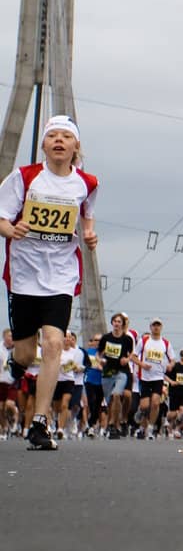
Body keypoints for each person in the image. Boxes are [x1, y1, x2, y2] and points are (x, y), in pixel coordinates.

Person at [0, 114, 99, 451]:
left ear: (75, 147)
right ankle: (17, 362)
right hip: (25, 275)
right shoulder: (25, 178)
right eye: (52, 136)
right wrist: (10, 229)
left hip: (61, 275)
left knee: (54, 343)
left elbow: (86, 211)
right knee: (27, 354)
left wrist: (88, 232)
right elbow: (1, 216)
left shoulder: (87, 182)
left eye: (65, 137)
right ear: (43, 145)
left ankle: (40, 424)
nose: (59, 141)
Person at [96, 312, 136, 439]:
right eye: (115, 321)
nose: (117, 324)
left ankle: (114, 425)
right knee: (110, 401)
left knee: (117, 394)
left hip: (122, 371)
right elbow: (98, 354)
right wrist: (100, 360)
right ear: (112, 323)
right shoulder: (106, 338)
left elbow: (132, 353)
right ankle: (113, 423)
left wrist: (127, 359)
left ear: (123, 324)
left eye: (119, 322)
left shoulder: (127, 339)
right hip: (108, 372)